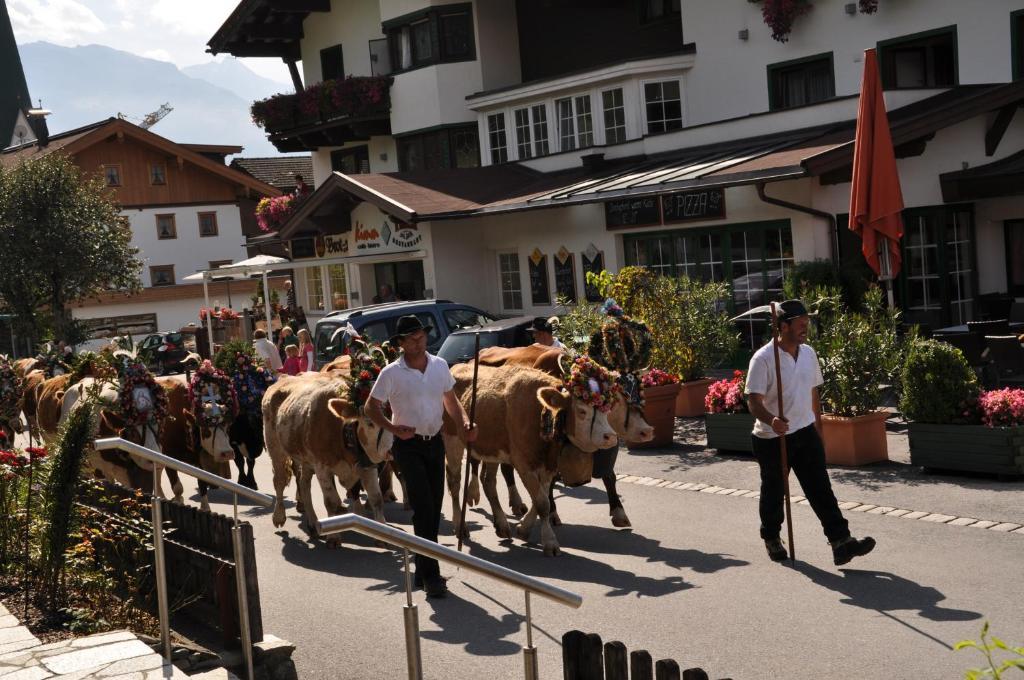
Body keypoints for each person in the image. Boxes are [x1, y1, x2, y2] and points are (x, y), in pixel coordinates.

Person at [745, 299, 876, 566]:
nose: (806, 328)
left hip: (805, 433)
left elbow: (813, 393)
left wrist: (819, 430)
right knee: (774, 491)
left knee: (821, 489)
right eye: (800, 324)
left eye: (807, 323)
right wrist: (772, 420)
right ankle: (771, 536)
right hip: (772, 438)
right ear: (783, 326)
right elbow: (753, 401)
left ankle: (841, 542)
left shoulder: (808, 353)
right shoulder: (763, 358)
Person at [365, 315, 477, 599]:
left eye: (421, 337)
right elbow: (371, 407)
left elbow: (451, 402)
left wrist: (464, 424)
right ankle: (433, 575)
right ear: (400, 343)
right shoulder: (391, 372)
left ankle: (421, 566)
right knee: (425, 508)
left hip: (434, 442)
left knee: (432, 507)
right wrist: (392, 428)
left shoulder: (439, 365)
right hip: (408, 445)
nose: (418, 342)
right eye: (411, 338)